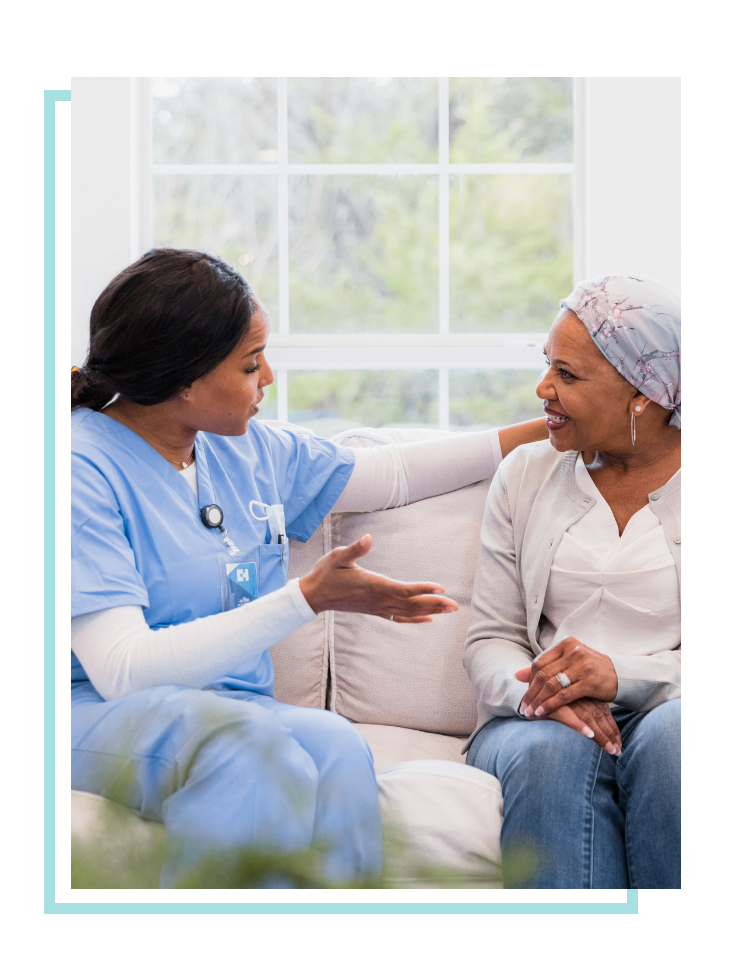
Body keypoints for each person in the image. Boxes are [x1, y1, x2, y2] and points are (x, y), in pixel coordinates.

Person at [71, 248, 548, 887]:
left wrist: (552, 429)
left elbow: (397, 474)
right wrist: (305, 598)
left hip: (226, 709)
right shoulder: (80, 467)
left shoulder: (244, 450)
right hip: (92, 710)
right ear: (184, 377)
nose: (267, 374)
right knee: (250, 753)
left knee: (338, 746)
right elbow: (124, 671)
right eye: (249, 363)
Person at [464, 274, 681, 889]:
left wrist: (622, 678)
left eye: (569, 374)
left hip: (669, 708)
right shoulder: (526, 476)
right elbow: (490, 640)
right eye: (546, 365)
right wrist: (548, 693)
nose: (543, 388)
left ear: (642, 394)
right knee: (553, 752)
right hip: (535, 718)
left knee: (674, 740)